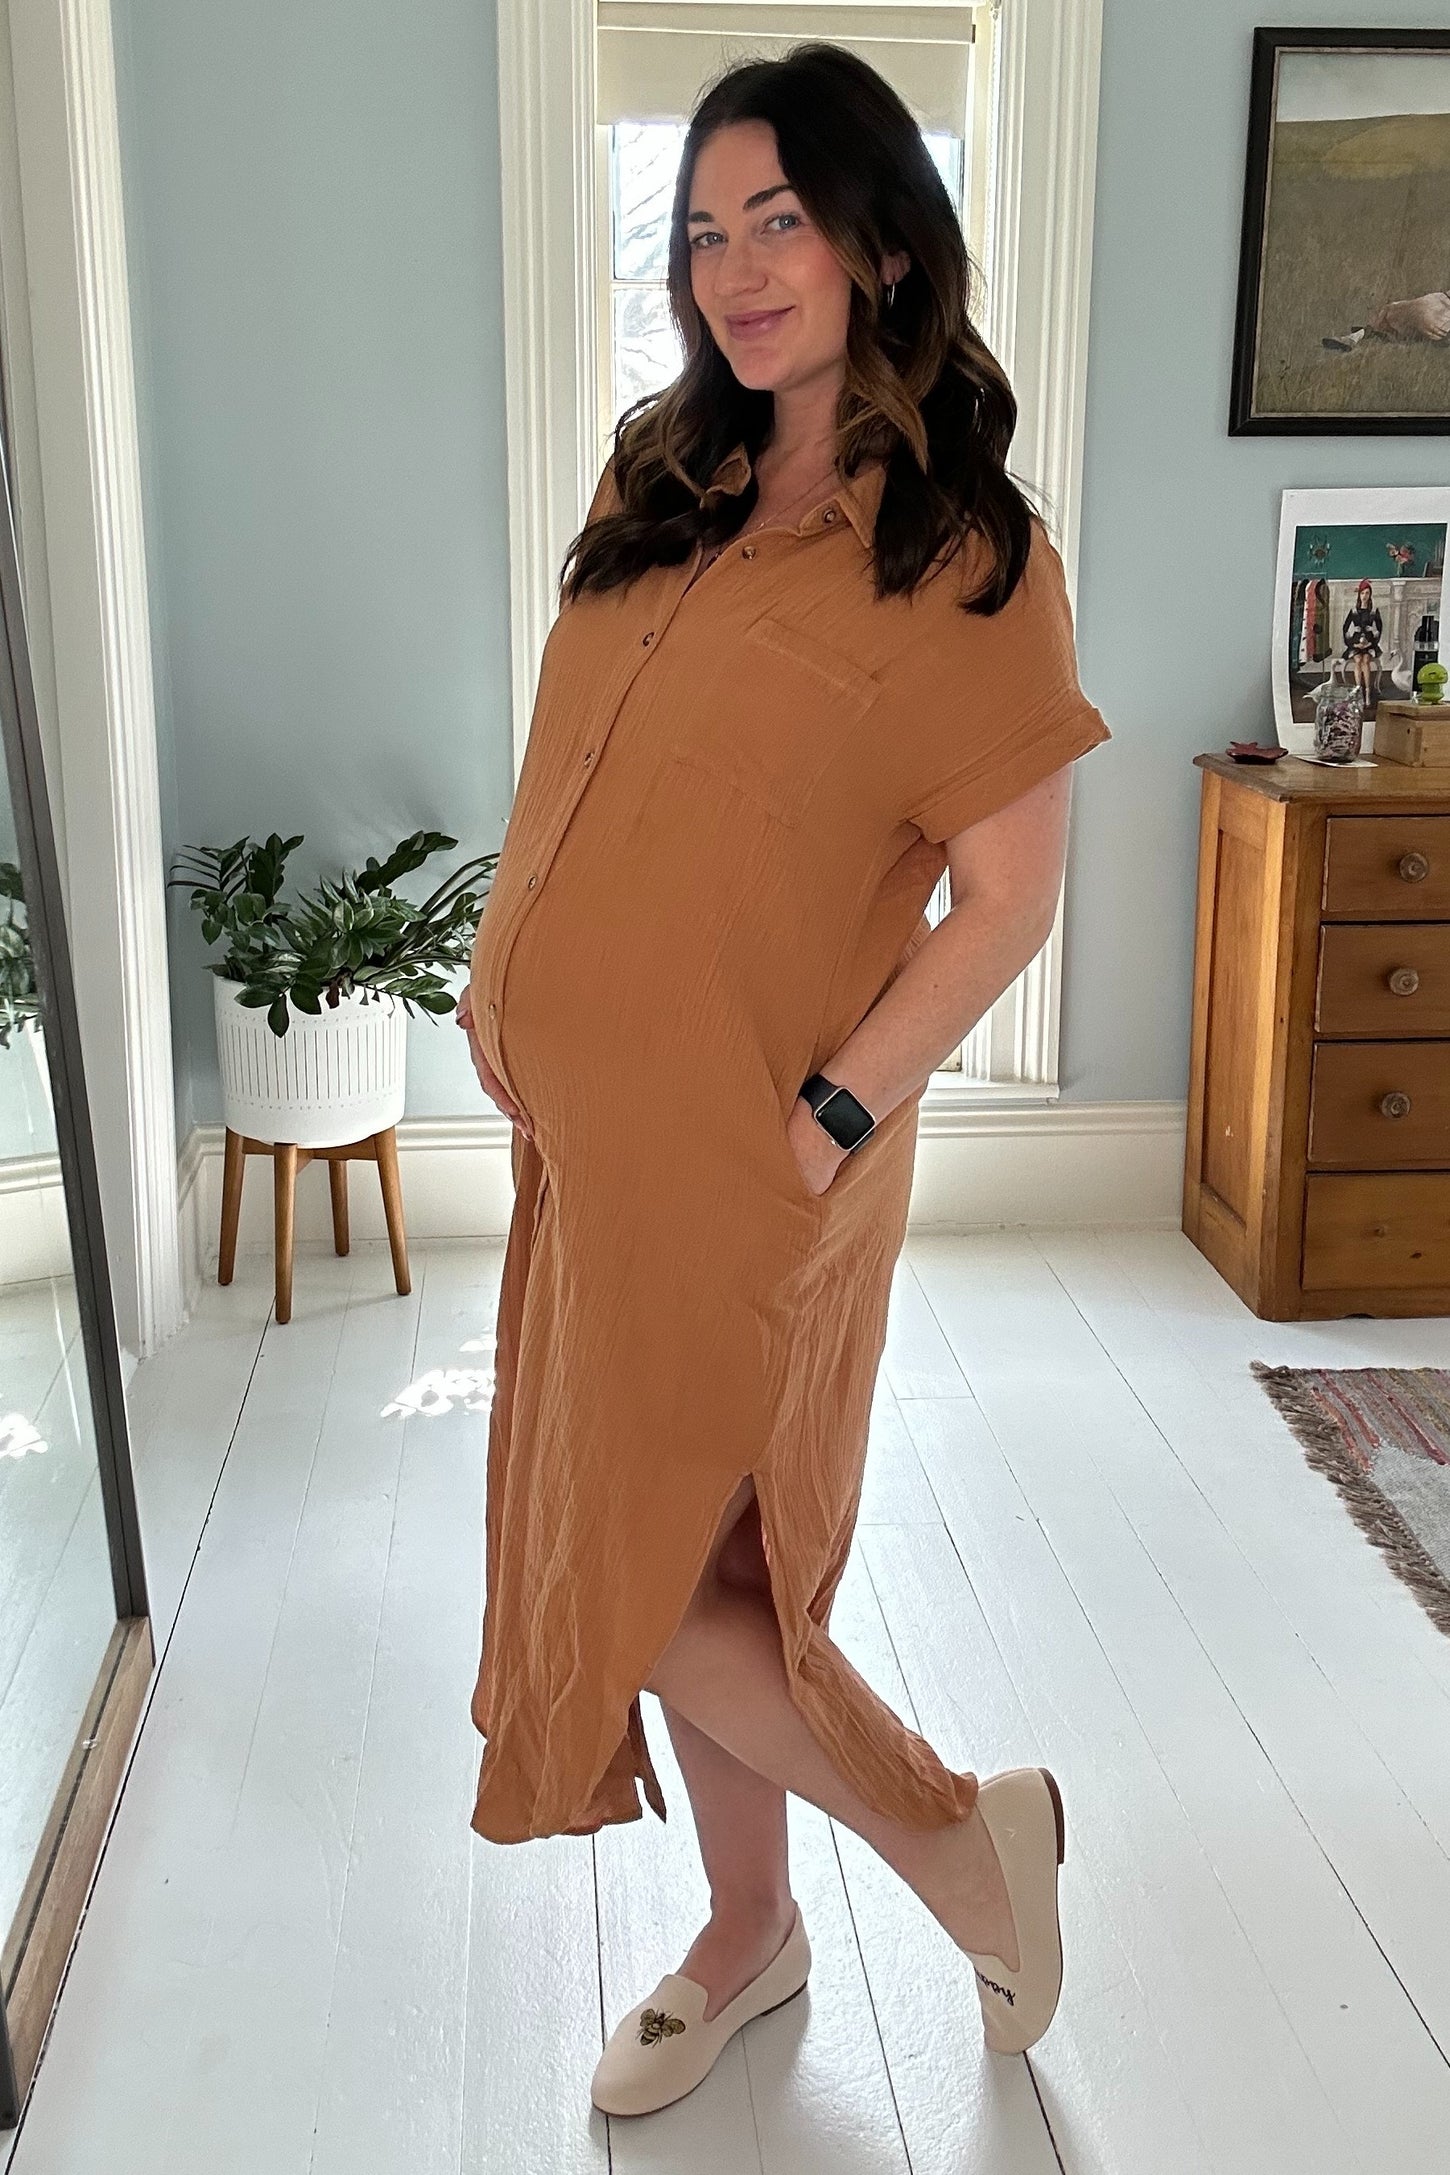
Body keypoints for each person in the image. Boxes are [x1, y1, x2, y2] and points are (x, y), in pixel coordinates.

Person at [455, 41, 1111, 2119]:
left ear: (878, 246)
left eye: (781, 223)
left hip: (769, 1146)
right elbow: (580, 771)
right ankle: (747, 1931)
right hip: (596, 1141)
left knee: (642, 1570)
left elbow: (1008, 899)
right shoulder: (660, 481)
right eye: (703, 232)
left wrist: (824, 1119)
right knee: (697, 1557)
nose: (735, 269)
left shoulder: (966, 560)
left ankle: (955, 1841)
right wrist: (504, 981)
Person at [1342, 578, 1384, 703]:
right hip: (1356, 643)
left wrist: (1372, 642)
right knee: (1358, 660)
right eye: (1362, 593)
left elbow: (1379, 629)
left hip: (1369, 643)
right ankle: (1358, 689)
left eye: (1367, 593)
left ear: (1370, 595)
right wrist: (1352, 643)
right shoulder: (1354, 611)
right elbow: (1345, 628)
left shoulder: (1373, 611)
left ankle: (1367, 691)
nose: (1364, 596)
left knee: (1366, 660)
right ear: (1359, 595)